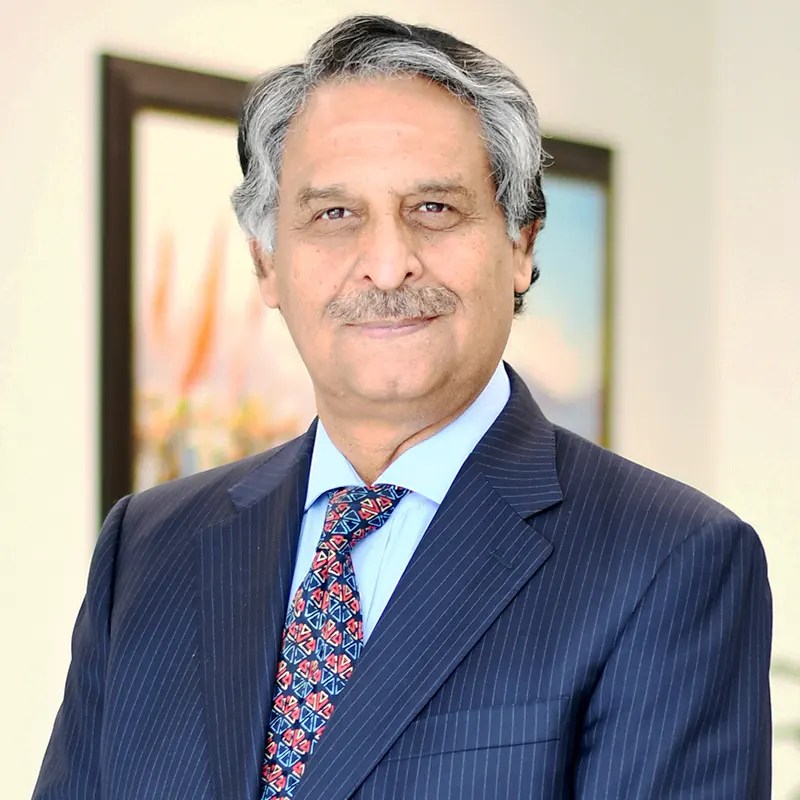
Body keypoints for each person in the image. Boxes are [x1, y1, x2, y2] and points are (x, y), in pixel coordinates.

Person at [34, 14, 771, 800]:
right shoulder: (147, 550)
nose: (387, 266)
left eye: (434, 209)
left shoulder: (671, 560)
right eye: (334, 215)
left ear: (521, 247)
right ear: (267, 263)